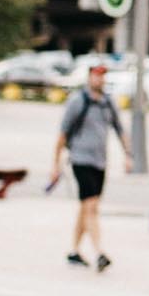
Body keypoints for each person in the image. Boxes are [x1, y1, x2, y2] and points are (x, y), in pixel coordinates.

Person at [48, 62, 127, 273]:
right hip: (80, 159)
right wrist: (55, 165)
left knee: (86, 207)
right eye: (96, 75)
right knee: (91, 206)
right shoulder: (77, 101)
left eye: (102, 76)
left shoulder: (108, 102)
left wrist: (128, 156)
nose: (99, 80)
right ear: (89, 77)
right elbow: (62, 134)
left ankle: (74, 250)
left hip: (100, 161)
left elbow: (120, 130)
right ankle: (99, 252)